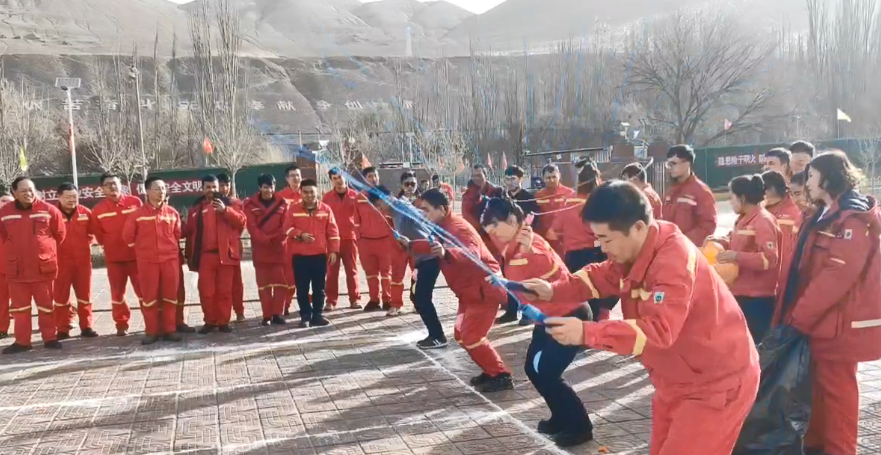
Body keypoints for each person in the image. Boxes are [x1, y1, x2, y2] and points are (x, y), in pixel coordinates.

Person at [522, 181, 759, 455]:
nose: (602, 248)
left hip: (716, 383)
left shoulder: (673, 260)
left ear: (637, 227)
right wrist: (552, 290)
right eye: (598, 239)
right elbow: (602, 275)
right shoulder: (637, 250)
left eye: (606, 239)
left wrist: (587, 332)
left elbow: (659, 330)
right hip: (674, 380)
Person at [778, 151, 881, 455]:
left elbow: (836, 277)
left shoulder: (852, 219)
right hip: (817, 321)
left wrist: (799, 317)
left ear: (828, 177)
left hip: (836, 323)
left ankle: (840, 449)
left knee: (838, 393)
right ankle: (816, 444)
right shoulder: (821, 214)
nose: (807, 182)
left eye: (812, 175)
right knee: (816, 388)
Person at [481, 196, 594, 447]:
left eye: (496, 229)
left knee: (548, 372)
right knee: (533, 370)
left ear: (512, 220)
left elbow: (539, 285)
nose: (493, 236)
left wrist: (507, 283)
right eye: (490, 232)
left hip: (569, 315)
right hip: (547, 318)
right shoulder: (514, 245)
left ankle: (580, 427)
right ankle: (560, 417)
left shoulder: (532, 247)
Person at [410, 189, 513, 392]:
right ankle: (490, 370)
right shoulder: (441, 227)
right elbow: (434, 247)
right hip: (468, 293)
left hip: (484, 290)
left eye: (426, 209)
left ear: (441, 209)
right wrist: (411, 245)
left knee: (471, 336)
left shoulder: (459, 228)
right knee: (460, 334)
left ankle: (501, 375)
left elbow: (472, 253)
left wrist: (447, 252)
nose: (423, 214)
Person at [369, 185, 447, 348]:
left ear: (388, 198)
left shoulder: (402, 212)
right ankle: (435, 334)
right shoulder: (397, 211)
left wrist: (410, 244)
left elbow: (424, 223)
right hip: (421, 259)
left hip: (429, 258)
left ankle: (437, 336)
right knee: (418, 297)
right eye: (376, 207)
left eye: (380, 204)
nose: (379, 209)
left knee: (422, 298)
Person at [708, 175, 781, 344]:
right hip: (742, 292)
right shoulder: (744, 218)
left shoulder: (763, 221)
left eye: (731, 197)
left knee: (753, 344)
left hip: (757, 298)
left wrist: (735, 256)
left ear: (742, 198)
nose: (729, 202)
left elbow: (770, 259)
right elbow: (737, 241)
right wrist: (721, 241)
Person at [0, 177, 66, 354]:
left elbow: (60, 234)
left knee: (46, 306)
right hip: (17, 271)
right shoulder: (4, 212)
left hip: (42, 269)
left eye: (31, 190)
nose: (28, 193)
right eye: (23, 191)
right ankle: (22, 342)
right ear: (14, 193)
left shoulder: (49, 210)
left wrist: (43, 250)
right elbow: (3, 235)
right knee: (20, 309)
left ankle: (50, 338)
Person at [548, 162, 616, 322]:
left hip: (573, 257)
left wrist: (568, 237)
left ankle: (582, 327)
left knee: (578, 296)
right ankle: (599, 324)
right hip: (597, 254)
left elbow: (552, 233)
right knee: (600, 293)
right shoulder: (600, 202)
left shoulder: (567, 201)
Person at [122, 177, 184, 345]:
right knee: (149, 297)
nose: (161, 192)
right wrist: (143, 251)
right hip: (147, 262)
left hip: (170, 261)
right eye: (157, 189)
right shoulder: (137, 215)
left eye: (163, 188)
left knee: (171, 296)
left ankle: (170, 329)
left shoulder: (172, 213)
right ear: (147, 191)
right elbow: (127, 237)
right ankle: (151, 331)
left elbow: (177, 234)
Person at [184, 175, 247, 335]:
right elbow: (188, 230)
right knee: (206, 291)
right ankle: (210, 321)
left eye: (214, 187)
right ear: (202, 189)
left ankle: (224, 322)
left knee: (225, 291)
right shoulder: (196, 209)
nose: (211, 190)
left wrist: (226, 210)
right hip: (206, 256)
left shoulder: (231, 204)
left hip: (226, 255)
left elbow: (241, 222)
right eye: (208, 187)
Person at [91, 173, 143, 336]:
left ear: (121, 185)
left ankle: (152, 322)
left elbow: (142, 226)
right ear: (102, 189)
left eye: (115, 183)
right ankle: (121, 324)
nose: (112, 187)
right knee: (117, 293)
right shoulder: (98, 210)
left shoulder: (135, 202)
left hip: (137, 257)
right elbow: (99, 235)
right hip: (114, 259)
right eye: (108, 185)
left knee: (144, 292)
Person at [283, 179, 340, 328]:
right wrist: (300, 234)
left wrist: (333, 251)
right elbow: (286, 228)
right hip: (300, 257)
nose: (309, 195)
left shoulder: (326, 209)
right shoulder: (293, 209)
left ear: (317, 192)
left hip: (319, 256)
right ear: (301, 193)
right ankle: (305, 316)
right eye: (306, 192)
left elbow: (333, 232)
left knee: (319, 289)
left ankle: (317, 315)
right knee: (302, 289)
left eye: (312, 192)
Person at [496, 165, 542, 324]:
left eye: (513, 178)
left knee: (525, 278)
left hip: (523, 243)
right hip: (507, 244)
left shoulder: (528, 198)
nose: (510, 182)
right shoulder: (503, 198)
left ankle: (528, 313)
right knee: (509, 276)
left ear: (520, 179)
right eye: (507, 179)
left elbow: (535, 220)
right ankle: (511, 311)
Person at [53, 183, 98, 340]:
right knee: (61, 297)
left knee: (85, 295)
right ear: (59, 197)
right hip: (60, 263)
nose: (72, 200)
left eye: (74, 197)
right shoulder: (52, 214)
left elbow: (92, 233)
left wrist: (85, 246)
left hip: (82, 262)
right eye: (68, 197)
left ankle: (87, 326)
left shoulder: (85, 212)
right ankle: (62, 328)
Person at [244, 174, 289, 326]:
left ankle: (278, 314)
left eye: (271, 187)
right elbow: (251, 227)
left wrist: (275, 239)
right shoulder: (250, 205)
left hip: (279, 250)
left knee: (280, 283)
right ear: (259, 188)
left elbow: (286, 225)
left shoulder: (283, 203)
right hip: (260, 251)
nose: (268, 190)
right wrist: (265, 240)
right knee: (264, 285)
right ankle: (266, 315)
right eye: (265, 187)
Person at [322, 168, 362, 311]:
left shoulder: (355, 196)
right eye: (334, 178)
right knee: (332, 271)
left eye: (340, 177)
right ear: (331, 180)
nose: (338, 181)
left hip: (350, 239)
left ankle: (355, 299)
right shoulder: (326, 198)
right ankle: (331, 301)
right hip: (332, 240)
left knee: (352, 270)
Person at [662, 145, 717, 246]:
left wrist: (682, 241)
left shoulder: (701, 191)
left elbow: (708, 225)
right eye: (668, 164)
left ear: (687, 163)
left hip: (690, 249)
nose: (670, 168)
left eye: (673, 163)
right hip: (670, 247)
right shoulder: (670, 191)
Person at [356, 166, 393, 312]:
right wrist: (359, 239)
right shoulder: (360, 197)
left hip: (385, 240)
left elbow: (393, 217)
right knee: (371, 273)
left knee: (386, 273)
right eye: (370, 176)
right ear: (364, 179)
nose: (373, 179)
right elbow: (356, 221)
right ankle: (374, 300)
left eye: (375, 176)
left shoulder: (386, 195)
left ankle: (387, 300)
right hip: (366, 241)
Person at [762, 170, 801, 288]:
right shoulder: (761, 210)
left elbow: (787, 254)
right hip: (763, 279)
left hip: (782, 280)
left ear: (771, 190)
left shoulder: (794, 214)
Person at [217, 173, 246, 322]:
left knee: (236, 283)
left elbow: (241, 222)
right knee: (219, 285)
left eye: (226, 185)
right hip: (215, 250)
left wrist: (226, 211)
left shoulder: (236, 203)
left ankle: (239, 311)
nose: (224, 188)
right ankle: (220, 315)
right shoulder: (208, 204)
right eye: (221, 185)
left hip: (232, 248)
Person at [535, 164, 576, 256]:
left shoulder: (569, 193)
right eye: (548, 178)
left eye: (554, 177)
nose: (552, 180)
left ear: (559, 176)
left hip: (564, 238)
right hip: (545, 237)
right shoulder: (539, 195)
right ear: (543, 178)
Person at [278, 164, 303, 315]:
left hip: (306, 242)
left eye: (298, 175)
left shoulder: (307, 194)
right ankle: (285, 305)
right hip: (288, 244)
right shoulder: (280, 197)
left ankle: (306, 306)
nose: (296, 178)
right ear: (287, 179)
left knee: (306, 276)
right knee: (288, 277)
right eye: (292, 176)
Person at [0, 193, 12, 340]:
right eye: (3, 201)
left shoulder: (21, 220)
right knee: (2, 300)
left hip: (20, 268)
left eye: (8, 201)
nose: (5, 203)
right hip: (1, 269)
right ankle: (2, 328)